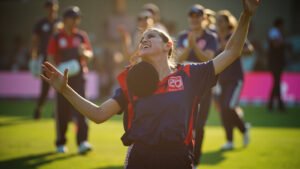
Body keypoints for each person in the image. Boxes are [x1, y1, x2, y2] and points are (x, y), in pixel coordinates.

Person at [41, 0, 259, 167]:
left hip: (179, 159)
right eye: (142, 37)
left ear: (168, 46)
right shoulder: (132, 78)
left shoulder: (190, 74)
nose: (144, 38)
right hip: (140, 159)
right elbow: (98, 114)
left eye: (152, 36)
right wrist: (65, 90)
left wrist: (246, 15)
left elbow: (231, 52)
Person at [47, 6, 94, 154]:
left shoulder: (81, 36)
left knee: (82, 109)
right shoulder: (56, 37)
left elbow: (89, 54)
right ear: (66, 19)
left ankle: (83, 142)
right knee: (62, 111)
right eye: (73, 18)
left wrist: (84, 53)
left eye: (77, 18)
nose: (76, 21)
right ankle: (60, 143)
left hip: (79, 78)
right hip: (62, 79)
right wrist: (55, 74)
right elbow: (50, 57)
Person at [176, 4, 218, 165]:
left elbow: (208, 60)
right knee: (184, 124)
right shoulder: (182, 36)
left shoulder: (210, 37)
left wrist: (194, 46)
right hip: (184, 86)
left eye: (197, 16)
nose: (194, 19)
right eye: (191, 16)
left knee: (199, 126)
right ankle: (182, 158)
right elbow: (177, 59)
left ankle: (196, 161)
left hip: (203, 86)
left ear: (204, 18)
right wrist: (189, 46)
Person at [215, 9, 254, 151]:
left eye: (221, 21)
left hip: (235, 78)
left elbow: (250, 49)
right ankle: (230, 141)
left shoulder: (234, 35)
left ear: (227, 22)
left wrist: (233, 50)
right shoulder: (215, 38)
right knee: (223, 110)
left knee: (228, 106)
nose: (218, 24)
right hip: (220, 80)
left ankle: (243, 129)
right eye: (217, 21)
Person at [29, 0, 61, 119]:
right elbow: (35, 40)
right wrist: (33, 54)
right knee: (45, 87)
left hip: (58, 59)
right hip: (46, 59)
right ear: (46, 8)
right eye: (49, 7)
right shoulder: (41, 23)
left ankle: (56, 111)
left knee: (59, 87)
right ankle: (38, 109)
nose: (52, 9)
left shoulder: (60, 23)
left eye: (54, 6)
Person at [267, 18, 286, 112]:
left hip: (277, 62)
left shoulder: (275, 32)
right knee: (276, 83)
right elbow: (275, 44)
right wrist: (282, 42)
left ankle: (274, 104)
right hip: (275, 62)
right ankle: (277, 105)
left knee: (276, 83)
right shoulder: (274, 32)